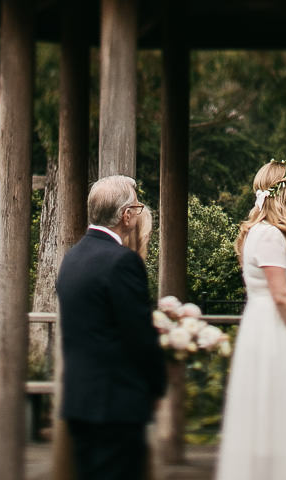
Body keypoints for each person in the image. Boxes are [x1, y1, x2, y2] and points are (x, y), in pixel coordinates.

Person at [55, 175, 168, 480]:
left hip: (80, 400)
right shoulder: (122, 262)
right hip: (115, 404)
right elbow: (139, 336)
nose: (136, 212)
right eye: (135, 206)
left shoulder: (72, 258)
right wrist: (157, 386)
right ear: (125, 216)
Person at [215, 160, 286, 480]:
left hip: (259, 324)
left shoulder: (255, 232)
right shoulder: (270, 235)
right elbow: (280, 295)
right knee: (275, 406)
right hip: (274, 330)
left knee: (261, 408)